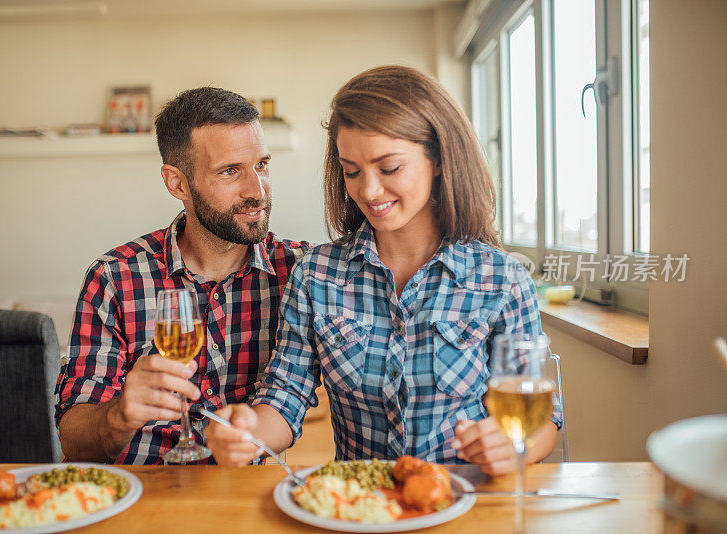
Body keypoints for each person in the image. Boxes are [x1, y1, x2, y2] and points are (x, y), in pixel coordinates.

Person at [204, 66, 561, 474]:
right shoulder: (316, 275)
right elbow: (285, 397)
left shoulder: (501, 279)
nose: (368, 191)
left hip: (465, 503)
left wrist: (513, 448)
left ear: (439, 160)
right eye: (352, 171)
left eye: (389, 168)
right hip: (362, 506)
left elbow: (546, 423)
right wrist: (248, 431)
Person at [54, 87, 309, 464]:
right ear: (177, 184)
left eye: (262, 165)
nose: (257, 191)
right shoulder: (113, 278)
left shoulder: (298, 271)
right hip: (138, 495)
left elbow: (294, 398)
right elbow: (74, 443)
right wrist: (118, 414)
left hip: (242, 497)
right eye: (229, 171)